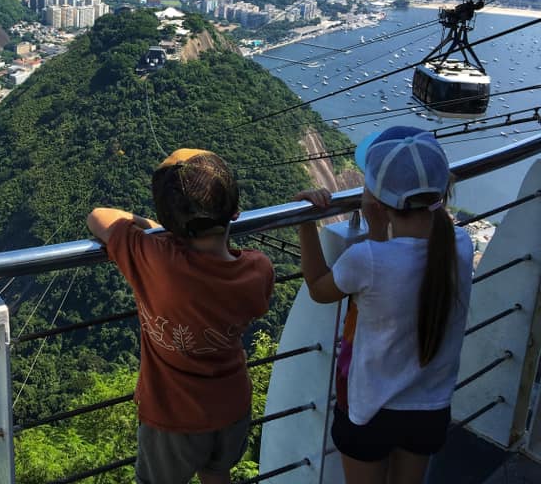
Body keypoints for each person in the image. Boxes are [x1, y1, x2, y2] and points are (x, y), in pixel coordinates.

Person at [294, 126, 473, 484]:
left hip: (369, 412)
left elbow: (318, 287)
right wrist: (378, 229)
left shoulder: (367, 260)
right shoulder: (461, 246)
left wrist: (304, 221)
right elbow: (394, 277)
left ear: (375, 197)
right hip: (430, 409)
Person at [87, 148, 274, 484]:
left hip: (172, 416)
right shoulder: (259, 269)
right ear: (235, 212)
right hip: (232, 405)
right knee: (218, 474)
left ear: (172, 226)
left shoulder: (157, 261)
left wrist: (155, 227)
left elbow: (99, 216)